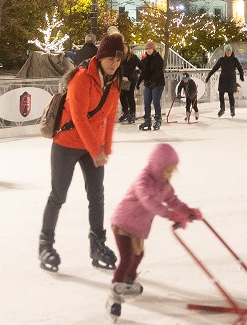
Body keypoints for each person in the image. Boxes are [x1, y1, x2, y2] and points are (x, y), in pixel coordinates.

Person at [38, 32, 124, 275]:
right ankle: (46, 244)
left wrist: (106, 147)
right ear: (102, 56)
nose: (115, 65)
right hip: (67, 142)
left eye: (118, 61)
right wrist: (97, 151)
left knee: (97, 196)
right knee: (58, 195)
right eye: (111, 60)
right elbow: (79, 119)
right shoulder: (81, 78)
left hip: (92, 145)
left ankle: (97, 244)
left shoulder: (115, 80)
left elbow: (109, 115)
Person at [105, 143, 200, 321]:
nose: (169, 175)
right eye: (167, 170)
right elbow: (149, 201)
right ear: (157, 167)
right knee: (126, 258)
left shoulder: (163, 184)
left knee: (138, 256)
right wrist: (171, 215)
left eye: (172, 171)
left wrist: (187, 211)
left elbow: (172, 200)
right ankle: (114, 294)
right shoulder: (144, 180)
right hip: (123, 223)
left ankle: (128, 281)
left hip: (138, 227)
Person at [207, 46, 244, 117]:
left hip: (231, 80)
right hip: (223, 79)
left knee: (230, 95)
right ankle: (222, 108)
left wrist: (241, 76)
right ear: (225, 52)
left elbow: (240, 68)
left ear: (231, 51)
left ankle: (232, 109)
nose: (228, 52)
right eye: (227, 51)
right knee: (221, 94)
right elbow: (215, 68)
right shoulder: (221, 59)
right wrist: (209, 75)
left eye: (229, 51)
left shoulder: (234, 60)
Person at [139, 41, 166, 132]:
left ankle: (158, 119)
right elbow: (143, 72)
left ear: (153, 49)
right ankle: (147, 120)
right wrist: (138, 82)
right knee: (147, 102)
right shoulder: (145, 60)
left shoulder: (158, 59)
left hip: (158, 83)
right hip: (148, 84)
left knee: (155, 101)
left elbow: (158, 72)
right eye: (147, 49)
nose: (148, 50)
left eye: (150, 48)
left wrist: (152, 80)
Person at [118, 44, 141, 125]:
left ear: (128, 48)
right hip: (123, 79)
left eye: (124, 48)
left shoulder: (133, 57)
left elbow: (141, 66)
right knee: (122, 95)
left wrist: (136, 73)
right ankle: (125, 112)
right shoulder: (119, 57)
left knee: (130, 96)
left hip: (131, 80)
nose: (123, 49)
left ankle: (132, 113)